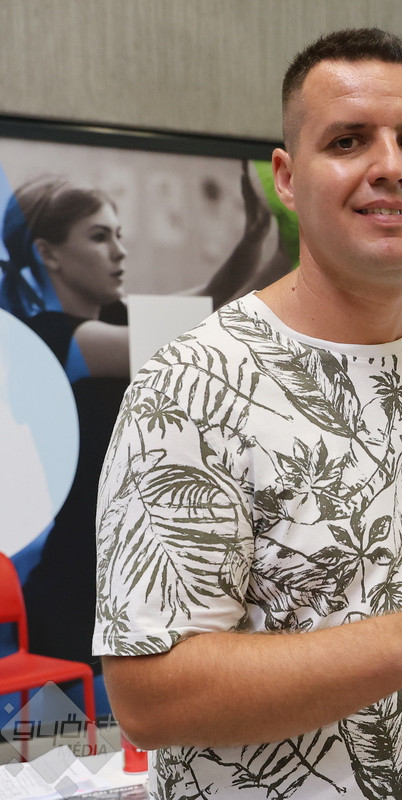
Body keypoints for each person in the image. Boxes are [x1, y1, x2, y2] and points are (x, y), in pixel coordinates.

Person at [93, 27, 402, 800]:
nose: (391, 166)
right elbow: (150, 698)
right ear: (286, 177)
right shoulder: (194, 385)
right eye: (348, 141)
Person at [0, 167, 281, 672]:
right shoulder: (51, 337)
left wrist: (263, 239)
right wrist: (277, 249)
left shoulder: (113, 316)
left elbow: (213, 301)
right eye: (99, 237)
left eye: (119, 234)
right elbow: (202, 337)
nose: (120, 251)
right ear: (48, 253)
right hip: (77, 574)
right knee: (78, 721)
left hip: (121, 557)